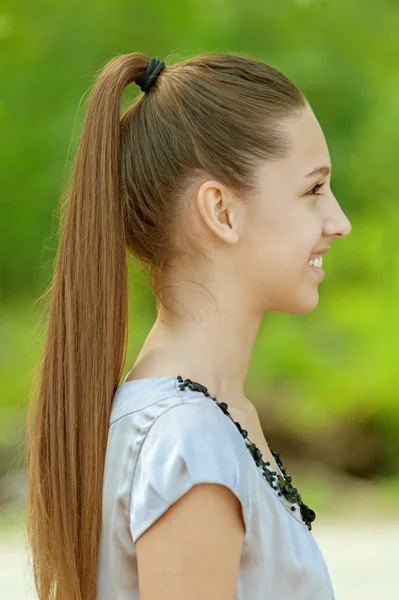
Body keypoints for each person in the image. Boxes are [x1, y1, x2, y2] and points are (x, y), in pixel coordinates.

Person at [25, 51, 351, 600]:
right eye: (313, 190)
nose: (339, 222)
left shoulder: (203, 420)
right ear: (221, 212)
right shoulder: (190, 440)